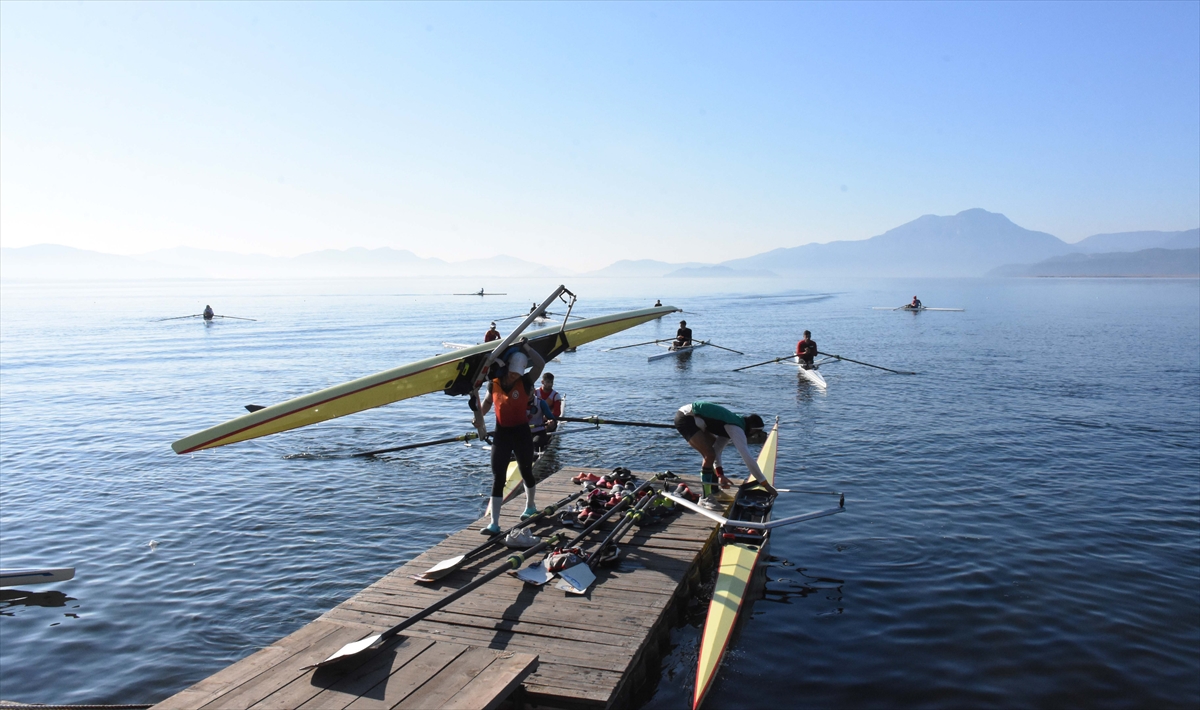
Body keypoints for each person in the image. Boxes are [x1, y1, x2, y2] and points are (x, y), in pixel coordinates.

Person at [472, 340, 545, 534]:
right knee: (498, 477)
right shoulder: (493, 383)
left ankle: (530, 506)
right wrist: (478, 418)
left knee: (526, 470)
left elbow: (541, 365)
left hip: (521, 433)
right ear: (506, 370)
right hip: (502, 433)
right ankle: (494, 524)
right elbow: (487, 403)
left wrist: (528, 347)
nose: (514, 377)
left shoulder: (525, 381)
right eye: (512, 373)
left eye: (517, 374)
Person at [673, 401, 773, 505]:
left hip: (694, 417)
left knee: (712, 451)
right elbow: (747, 458)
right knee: (709, 455)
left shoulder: (731, 424)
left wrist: (720, 474)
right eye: (755, 434)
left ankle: (714, 491)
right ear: (752, 430)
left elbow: (717, 450)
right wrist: (764, 483)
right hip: (687, 417)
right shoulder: (736, 428)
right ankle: (705, 498)